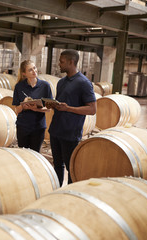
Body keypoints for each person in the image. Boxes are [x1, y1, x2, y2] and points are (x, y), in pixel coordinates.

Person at [46, 49, 97, 186]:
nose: (59, 64)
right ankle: (57, 190)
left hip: (70, 133)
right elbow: (61, 103)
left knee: (71, 167)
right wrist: (53, 105)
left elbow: (92, 109)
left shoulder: (84, 83)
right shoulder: (61, 82)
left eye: (61, 62)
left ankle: (70, 192)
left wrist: (68, 108)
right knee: (57, 165)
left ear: (71, 62)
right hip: (56, 130)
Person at [12, 60, 53, 152]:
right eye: (30, 70)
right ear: (24, 73)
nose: (34, 71)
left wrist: (36, 109)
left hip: (38, 127)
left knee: (35, 154)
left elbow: (49, 109)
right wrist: (23, 105)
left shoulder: (45, 86)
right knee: (23, 154)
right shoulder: (19, 87)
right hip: (23, 126)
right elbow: (16, 110)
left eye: (34, 68)